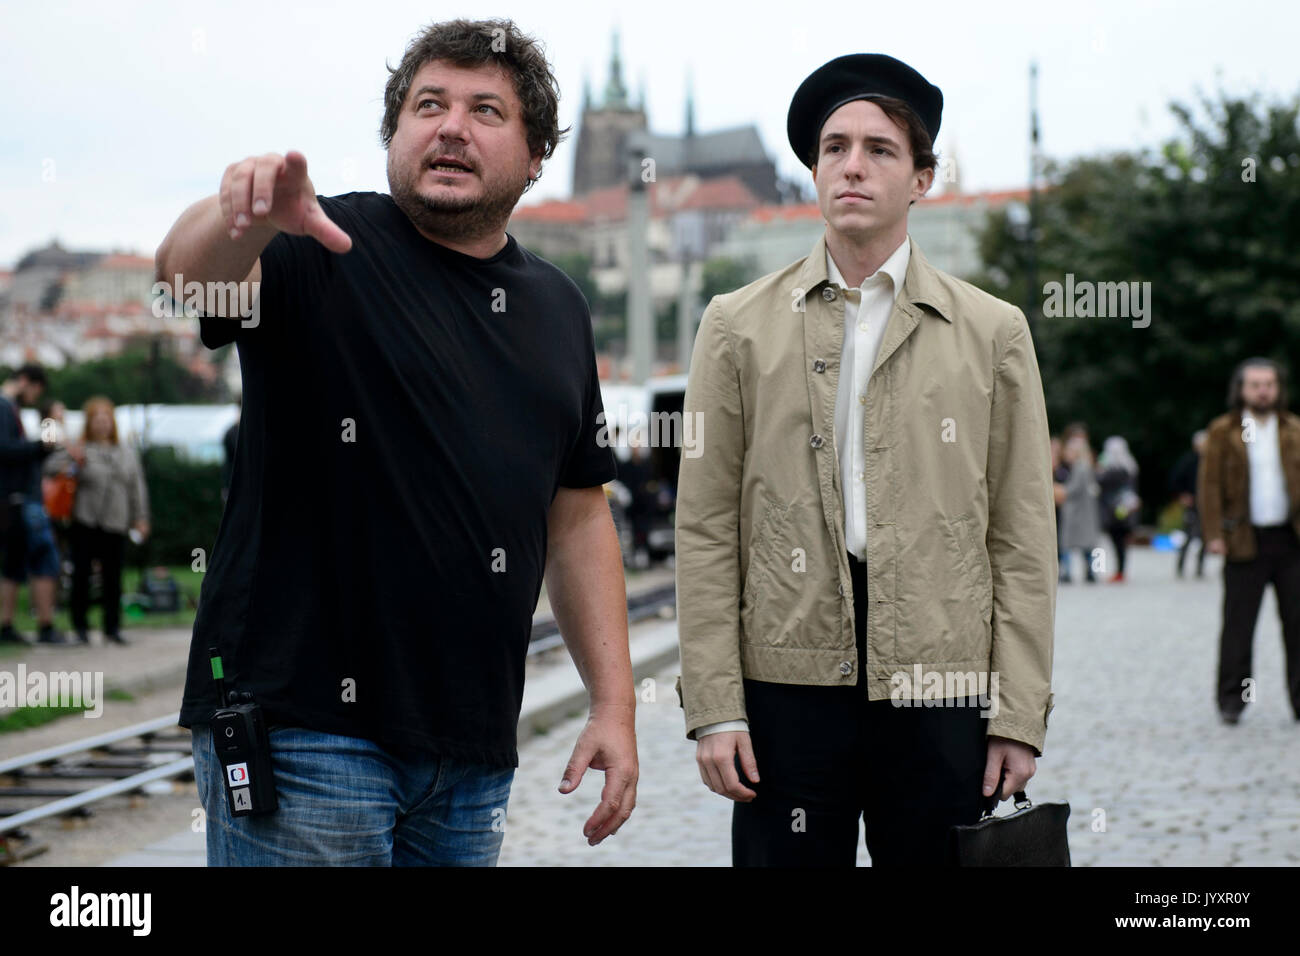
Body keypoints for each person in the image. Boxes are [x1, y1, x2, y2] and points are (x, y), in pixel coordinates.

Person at [157, 18, 636, 865]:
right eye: (428, 105)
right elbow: (185, 275)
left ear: (536, 158)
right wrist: (240, 213)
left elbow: (577, 515)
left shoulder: (560, 308)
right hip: (307, 733)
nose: (451, 125)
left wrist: (614, 707)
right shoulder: (318, 245)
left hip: (472, 753)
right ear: (395, 134)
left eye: (486, 109)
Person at [675, 53, 1057, 866]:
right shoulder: (736, 325)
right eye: (834, 147)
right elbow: (704, 526)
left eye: (880, 149)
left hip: (941, 681)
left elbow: (1022, 539)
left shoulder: (993, 332)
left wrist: (1017, 716)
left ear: (922, 178)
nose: (852, 165)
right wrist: (715, 707)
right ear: (812, 172)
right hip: (787, 682)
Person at [1197, 358, 1300, 725]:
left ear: (1278, 388)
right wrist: (1213, 535)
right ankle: (1231, 700)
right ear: (1241, 389)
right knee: (1239, 626)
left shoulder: (1293, 429)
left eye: (1269, 383)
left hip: (1291, 541)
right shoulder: (1224, 431)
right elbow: (1208, 487)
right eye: (1255, 384)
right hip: (1243, 540)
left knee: (1297, 624)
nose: (1262, 390)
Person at [44, 397, 151, 645]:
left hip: (116, 521)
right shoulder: (79, 449)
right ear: (89, 424)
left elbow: (137, 487)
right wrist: (71, 458)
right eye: (97, 420)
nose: (102, 425)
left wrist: (141, 517)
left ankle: (111, 626)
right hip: (86, 519)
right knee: (81, 574)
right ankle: (80, 625)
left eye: (106, 420)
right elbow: (49, 468)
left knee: (113, 577)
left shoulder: (126, 452)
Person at [0, 364, 63, 645]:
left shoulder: (7, 406)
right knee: (42, 558)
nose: (35, 397)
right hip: (17, 498)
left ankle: (8, 625)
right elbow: (4, 449)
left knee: (14, 563)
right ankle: (43, 625)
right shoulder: (4, 406)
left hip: (15, 498)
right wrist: (39, 447)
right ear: (26, 381)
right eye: (36, 390)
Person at [1096, 435, 1141, 583]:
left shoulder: (1111, 470)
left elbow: (1100, 485)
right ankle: (1121, 571)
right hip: (1126, 510)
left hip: (1113, 512)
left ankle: (1119, 572)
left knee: (1117, 542)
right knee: (1122, 543)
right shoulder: (1130, 468)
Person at [1169, 429, 1207, 578]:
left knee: (1205, 537)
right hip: (1192, 505)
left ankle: (1200, 567)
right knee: (1188, 536)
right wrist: (1183, 495)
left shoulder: (1211, 461)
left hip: (1206, 505)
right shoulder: (1189, 461)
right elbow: (1175, 480)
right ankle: (1181, 565)